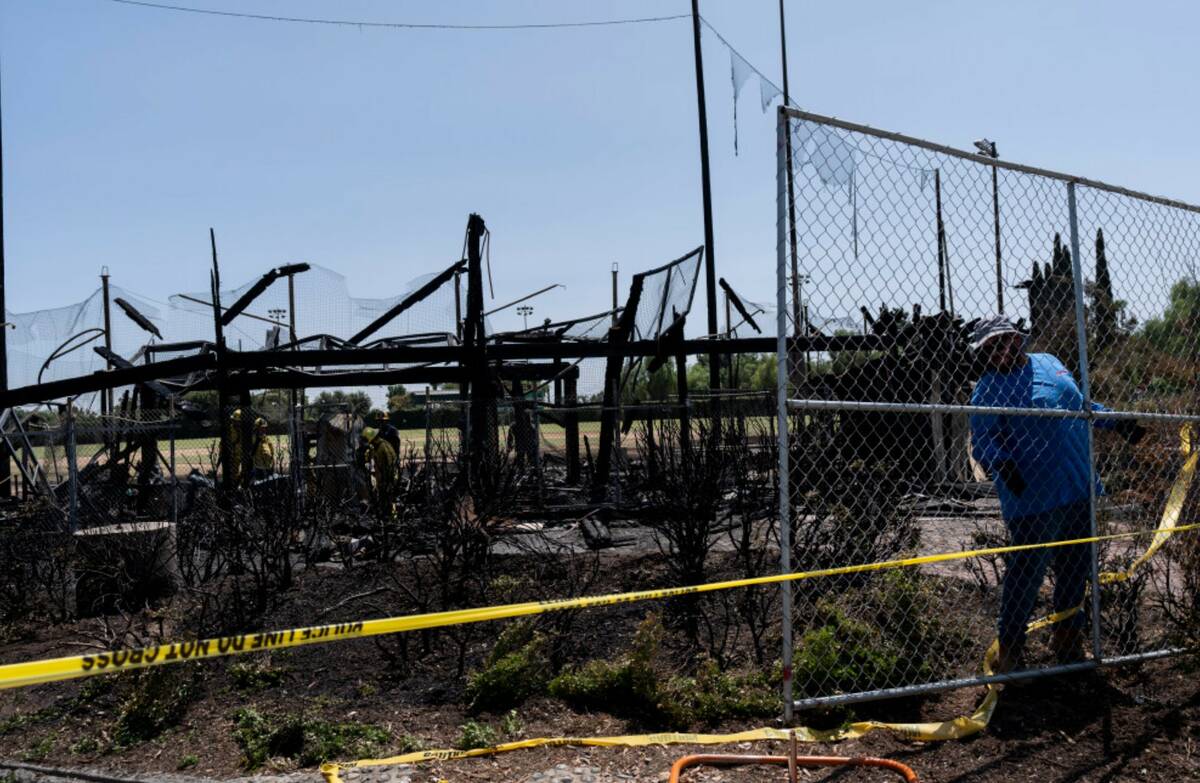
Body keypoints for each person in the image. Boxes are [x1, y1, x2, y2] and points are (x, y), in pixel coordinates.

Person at [968, 316, 1145, 673]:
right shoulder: (986, 389)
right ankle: (1011, 655)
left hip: (1078, 488)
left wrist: (1117, 422)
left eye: (1004, 341)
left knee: (1075, 570)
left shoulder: (1050, 363)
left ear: (1019, 339)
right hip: (1033, 502)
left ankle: (1068, 645)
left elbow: (1081, 406)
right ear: (983, 354)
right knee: (1026, 577)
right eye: (990, 347)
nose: (1000, 351)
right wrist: (1003, 466)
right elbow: (983, 442)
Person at [359, 426, 398, 517]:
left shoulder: (383, 447)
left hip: (389, 479)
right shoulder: (375, 447)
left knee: (390, 500)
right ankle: (384, 518)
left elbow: (390, 465)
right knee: (382, 500)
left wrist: (389, 481)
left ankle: (393, 519)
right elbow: (369, 457)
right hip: (381, 480)